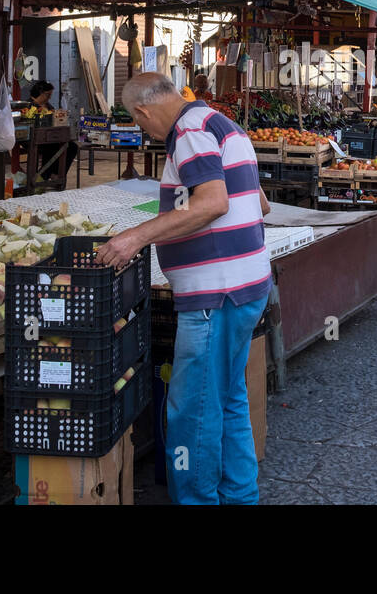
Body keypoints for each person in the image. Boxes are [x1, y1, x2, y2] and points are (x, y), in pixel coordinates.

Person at [95, 73, 272, 505]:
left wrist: (136, 236)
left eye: (140, 124)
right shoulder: (221, 124)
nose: (145, 132)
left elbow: (213, 202)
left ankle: (197, 499)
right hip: (247, 286)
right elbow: (260, 203)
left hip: (216, 297)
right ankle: (240, 496)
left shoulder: (189, 131)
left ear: (142, 111)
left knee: (191, 410)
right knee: (228, 397)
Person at [27, 79, 79, 181]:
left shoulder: (47, 105)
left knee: (72, 147)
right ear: (41, 93)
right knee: (53, 148)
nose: (49, 97)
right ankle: (44, 175)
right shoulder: (29, 105)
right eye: (48, 94)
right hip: (35, 138)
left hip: (50, 136)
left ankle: (57, 174)